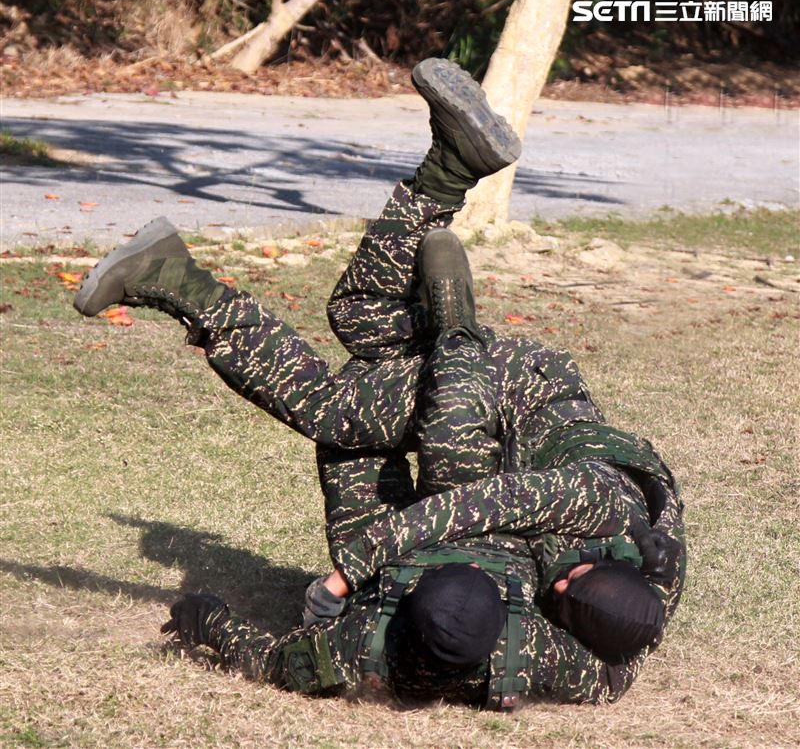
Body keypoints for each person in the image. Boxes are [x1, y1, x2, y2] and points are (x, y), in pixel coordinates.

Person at [74, 58, 686, 709]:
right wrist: (353, 569)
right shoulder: (593, 507)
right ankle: (172, 276)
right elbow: (473, 466)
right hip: (501, 395)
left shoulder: (618, 609)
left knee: (365, 321)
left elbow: (615, 667)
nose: (556, 589)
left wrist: (219, 622)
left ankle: (448, 166)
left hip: (518, 407)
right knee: (337, 408)